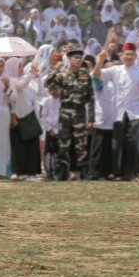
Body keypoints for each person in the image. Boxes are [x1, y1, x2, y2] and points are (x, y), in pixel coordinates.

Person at [94, 42, 139, 180]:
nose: (128, 57)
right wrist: (101, 60)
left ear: (135, 56)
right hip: (120, 112)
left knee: (138, 143)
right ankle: (121, 173)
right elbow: (97, 75)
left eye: (131, 54)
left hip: (138, 112)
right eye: (126, 54)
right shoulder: (116, 70)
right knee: (120, 144)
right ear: (121, 56)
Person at [47, 48, 94, 179]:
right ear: (69, 59)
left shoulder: (85, 76)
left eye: (80, 57)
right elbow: (48, 83)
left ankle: (84, 169)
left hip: (80, 112)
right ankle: (62, 170)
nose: (78, 60)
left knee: (81, 143)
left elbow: (91, 98)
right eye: (75, 58)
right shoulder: (62, 75)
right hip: (65, 113)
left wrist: (91, 118)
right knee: (63, 142)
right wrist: (56, 69)